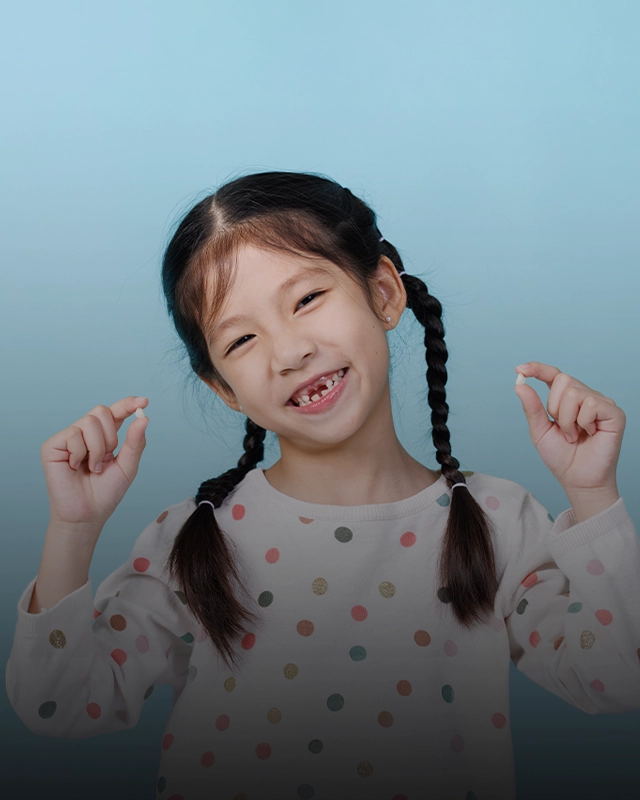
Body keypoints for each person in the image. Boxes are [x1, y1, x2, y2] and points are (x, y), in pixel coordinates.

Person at [6, 170, 640, 800]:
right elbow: (62, 705)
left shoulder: (498, 520)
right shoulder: (193, 541)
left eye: (307, 299)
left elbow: (617, 679)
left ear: (385, 293)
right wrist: (74, 529)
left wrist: (593, 496)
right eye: (243, 338)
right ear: (224, 390)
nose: (288, 351)